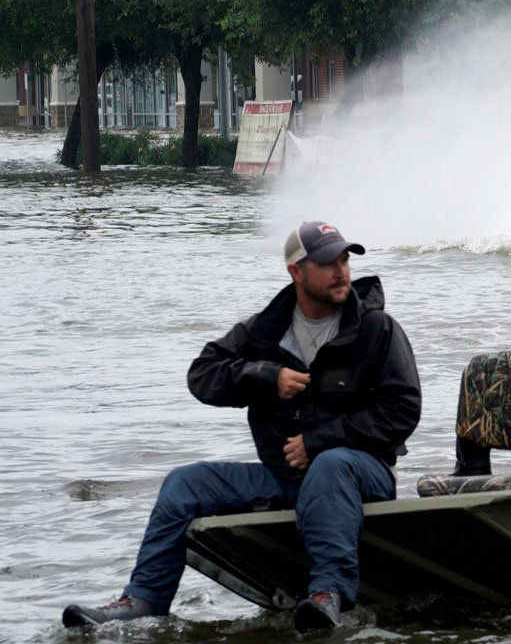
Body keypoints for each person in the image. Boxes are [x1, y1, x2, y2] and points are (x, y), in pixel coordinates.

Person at [62, 222, 421, 632]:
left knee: (331, 464)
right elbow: (202, 375)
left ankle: (328, 594)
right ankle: (142, 600)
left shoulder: (377, 327)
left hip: (362, 474)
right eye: (327, 263)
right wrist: (265, 377)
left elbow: (403, 411)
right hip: (284, 478)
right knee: (185, 483)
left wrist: (321, 441)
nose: (341, 271)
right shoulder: (262, 331)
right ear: (296, 272)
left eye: (344, 260)